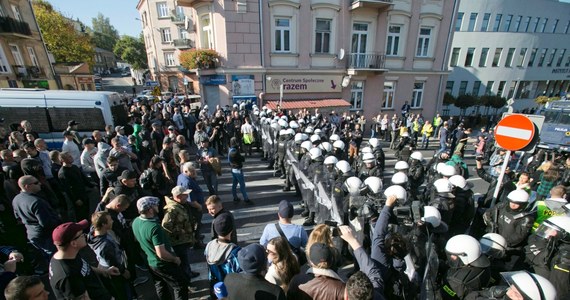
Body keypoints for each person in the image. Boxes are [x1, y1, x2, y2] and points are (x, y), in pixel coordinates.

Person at [131, 196, 189, 300]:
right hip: (163, 263)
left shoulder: (136, 222)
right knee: (180, 285)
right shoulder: (154, 227)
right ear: (150, 209)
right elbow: (161, 253)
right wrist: (174, 259)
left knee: (160, 285)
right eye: (155, 205)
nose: (157, 206)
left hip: (151, 261)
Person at [49, 220, 118, 300]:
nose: (85, 236)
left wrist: (104, 271)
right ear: (73, 243)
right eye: (81, 235)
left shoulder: (70, 254)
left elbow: (83, 267)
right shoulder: (68, 276)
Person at [12, 175, 61, 259]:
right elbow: (46, 223)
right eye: (36, 183)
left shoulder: (16, 199)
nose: (40, 184)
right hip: (46, 236)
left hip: (32, 235)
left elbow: (18, 218)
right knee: (55, 257)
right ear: (27, 186)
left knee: (47, 257)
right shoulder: (36, 202)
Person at [87, 211, 133, 300]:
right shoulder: (105, 245)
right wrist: (123, 271)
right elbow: (113, 263)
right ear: (104, 224)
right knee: (123, 294)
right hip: (114, 273)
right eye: (110, 220)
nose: (112, 221)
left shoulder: (92, 232)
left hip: (102, 266)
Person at [162, 186, 200, 280]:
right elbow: (166, 225)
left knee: (185, 259)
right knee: (182, 260)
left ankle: (188, 272)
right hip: (178, 241)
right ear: (178, 196)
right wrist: (180, 231)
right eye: (185, 195)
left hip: (184, 239)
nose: (187, 196)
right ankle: (186, 278)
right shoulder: (172, 209)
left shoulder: (182, 205)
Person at [205, 214, 241, 298]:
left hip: (216, 288)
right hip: (231, 290)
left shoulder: (209, 246)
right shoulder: (235, 252)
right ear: (231, 230)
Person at [228, 137, 252, 203]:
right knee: (242, 185)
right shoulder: (235, 151)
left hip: (233, 169)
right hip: (237, 169)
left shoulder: (230, 149)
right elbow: (242, 159)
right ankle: (246, 199)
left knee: (234, 184)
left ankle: (235, 197)